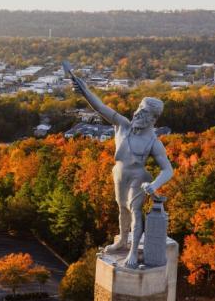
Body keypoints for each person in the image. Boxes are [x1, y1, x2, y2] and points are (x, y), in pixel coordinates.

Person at [66, 65, 173, 268]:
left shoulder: (153, 141)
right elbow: (101, 108)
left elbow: (168, 169)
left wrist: (155, 185)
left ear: (153, 118)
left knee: (134, 211)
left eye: (144, 114)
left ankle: (133, 251)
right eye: (138, 111)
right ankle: (123, 240)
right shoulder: (123, 125)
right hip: (119, 173)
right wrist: (85, 91)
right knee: (122, 210)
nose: (138, 115)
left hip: (139, 177)